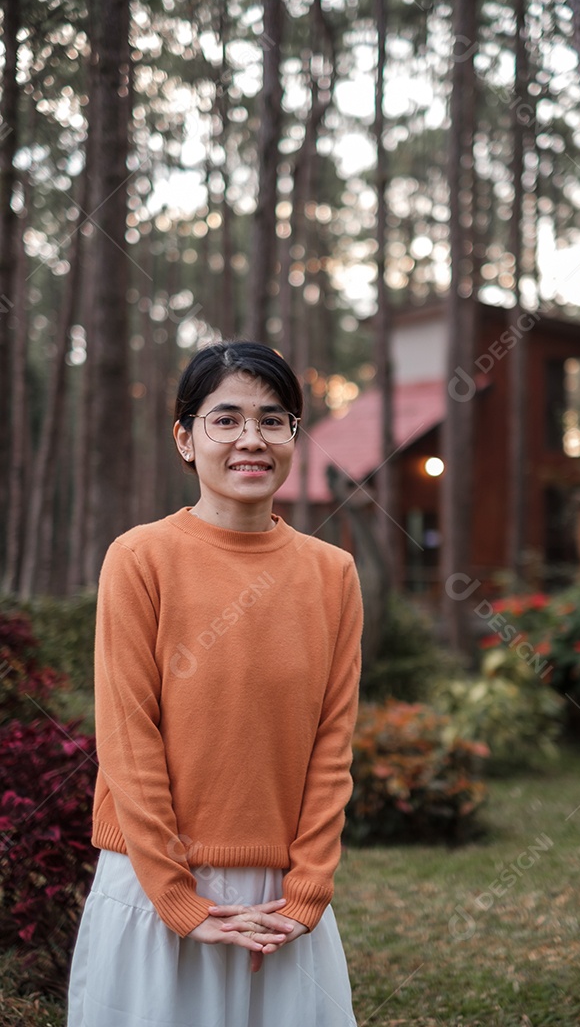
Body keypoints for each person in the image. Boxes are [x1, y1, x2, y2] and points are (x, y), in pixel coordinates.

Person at [67, 340, 363, 1027]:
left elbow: (332, 741)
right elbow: (126, 737)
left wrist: (308, 891)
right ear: (185, 437)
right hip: (151, 882)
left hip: (279, 899)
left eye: (273, 419)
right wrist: (177, 898)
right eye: (225, 419)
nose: (250, 440)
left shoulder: (332, 574)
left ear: (293, 435)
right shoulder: (140, 559)